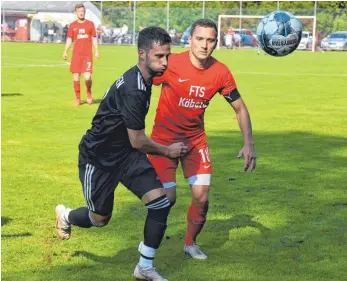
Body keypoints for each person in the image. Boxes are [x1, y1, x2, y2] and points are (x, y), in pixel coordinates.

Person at [55, 26, 188, 281]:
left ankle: (144, 267)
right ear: (142, 54)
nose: (165, 62)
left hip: (126, 154)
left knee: (160, 202)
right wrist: (167, 151)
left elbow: (133, 143)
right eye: (159, 56)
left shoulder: (145, 79)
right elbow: (138, 140)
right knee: (100, 219)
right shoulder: (134, 88)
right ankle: (66, 215)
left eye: (167, 56)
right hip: (98, 158)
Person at [148, 19, 256, 260]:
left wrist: (249, 143)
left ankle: (190, 243)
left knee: (202, 197)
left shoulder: (221, 72)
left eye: (210, 40)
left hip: (195, 143)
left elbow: (240, 108)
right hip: (163, 142)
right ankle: (147, 249)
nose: (204, 45)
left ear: (216, 42)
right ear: (190, 39)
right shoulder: (171, 62)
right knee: (168, 199)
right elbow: (143, 80)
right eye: (200, 39)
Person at [63, 3, 99, 106]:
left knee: (87, 77)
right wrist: (65, 50)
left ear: (85, 12)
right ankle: (78, 99)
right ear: (76, 13)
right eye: (79, 12)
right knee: (76, 76)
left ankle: (88, 92)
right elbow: (69, 39)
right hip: (76, 55)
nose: (81, 13)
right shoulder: (73, 25)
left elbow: (94, 38)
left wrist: (96, 50)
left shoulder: (90, 24)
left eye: (82, 12)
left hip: (87, 55)